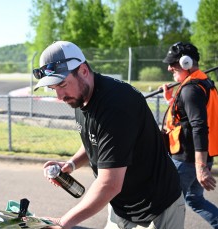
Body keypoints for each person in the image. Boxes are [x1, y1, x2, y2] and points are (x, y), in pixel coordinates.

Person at [33, 41, 185, 229]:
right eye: (54, 88)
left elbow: (110, 184)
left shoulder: (116, 105)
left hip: (158, 207)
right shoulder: (80, 97)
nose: (60, 96)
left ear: (83, 71)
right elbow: (95, 140)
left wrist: (64, 223)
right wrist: (71, 164)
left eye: (63, 85)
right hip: (120, 207)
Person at [161, 42, 218, 228]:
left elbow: (199, 127)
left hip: (187, 161)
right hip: (200, 157)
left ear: (186, 62)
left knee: (167, 207)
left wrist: (200, 167)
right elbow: (188, 117)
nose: (170, 68)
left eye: (173, 64)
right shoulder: (204, 83)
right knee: (194, 200)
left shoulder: (191, 89)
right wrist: (171, 99)